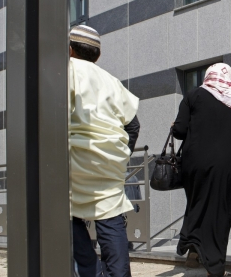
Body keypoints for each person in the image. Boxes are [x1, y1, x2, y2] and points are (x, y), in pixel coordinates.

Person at [69, 25, 140, 277]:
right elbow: (133, 125)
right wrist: (121, 157)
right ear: (97, 56)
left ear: (69, 49)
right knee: (110, 217)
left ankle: (90, 271)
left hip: (74, 163)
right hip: (109, 166)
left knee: (66, 215)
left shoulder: (65, 71)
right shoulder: (112, 81)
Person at [173, 63, 231, 277]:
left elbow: (180, 131)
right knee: (220, 215)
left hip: (195, 166)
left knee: (198, 204)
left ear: (209, 75)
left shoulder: (193, 95)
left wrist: (176, 126)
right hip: (227, 168)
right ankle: (215, 268)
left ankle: (190, 242)